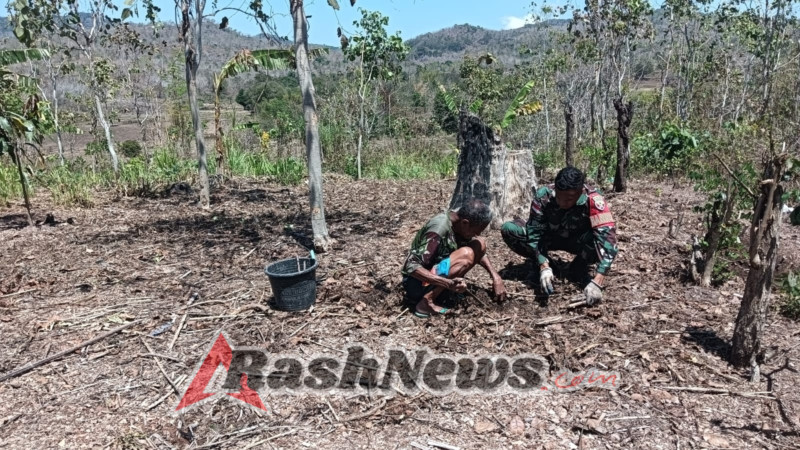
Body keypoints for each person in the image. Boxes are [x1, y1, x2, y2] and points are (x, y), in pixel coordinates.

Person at [500, 167, 618, 305]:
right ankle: (550, 266)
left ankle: (578, 268)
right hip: (550, 238)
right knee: (509, 229)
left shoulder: (594, 199)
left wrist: (598, 282)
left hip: (579, 241)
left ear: (580, 192)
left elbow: (608, 243)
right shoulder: (544, 196)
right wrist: (543, 265)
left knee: (598, 241)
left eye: (569, 199)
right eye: (559, 197)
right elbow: (534, 235)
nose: (562, 203)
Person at [401, 197, 507, 318]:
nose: (476, 234)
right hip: (416, 283)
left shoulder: (459, 225)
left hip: (437, 275)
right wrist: (447, 283)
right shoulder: (438, 229)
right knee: (466, 254)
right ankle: (426, 302)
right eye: (476, 231)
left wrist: (496, 277)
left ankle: (441, 292)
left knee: (479, 243)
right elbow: (410, 265)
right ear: (465, 223)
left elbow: (480, 252)